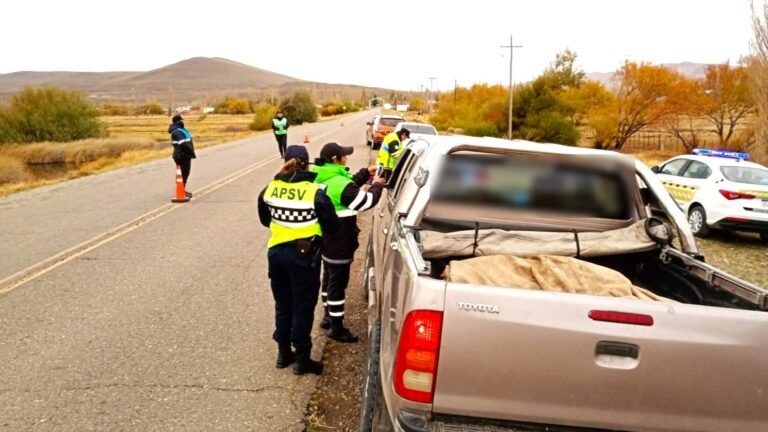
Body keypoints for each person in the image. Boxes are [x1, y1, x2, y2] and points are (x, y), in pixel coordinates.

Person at [258, 145, 339, 375]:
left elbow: (265, 220)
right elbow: (332, 225)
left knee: (283, 305)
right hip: (304, 258)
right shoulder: (315, 192)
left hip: (276, 255)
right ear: (306, 164)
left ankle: (283, 353)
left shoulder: (269, 189)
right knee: (302, 307)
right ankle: (302, 359)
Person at [312, 142, 385, 343]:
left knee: (328, 278)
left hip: (325, 238)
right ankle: (336, 327)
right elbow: (366, 201)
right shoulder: (340, 184)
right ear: (336, 160)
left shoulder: (321, 175)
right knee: (338, 284)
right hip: (340, 241)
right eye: (344, 155)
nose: (346, 158)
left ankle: (327, 317)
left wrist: (365, 173)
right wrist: (377, 185)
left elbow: (346, 186)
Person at [168, 114, 197, 196]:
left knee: (183, 173)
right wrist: (191, 151)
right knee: (183, 173)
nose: (182, 122)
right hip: (182, 155)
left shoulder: (180, 130)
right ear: (177, 121)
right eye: (180, 120)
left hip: (184, 155)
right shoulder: (177, 131)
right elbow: (183, 144)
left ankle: (181, 189)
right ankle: (181, 191)